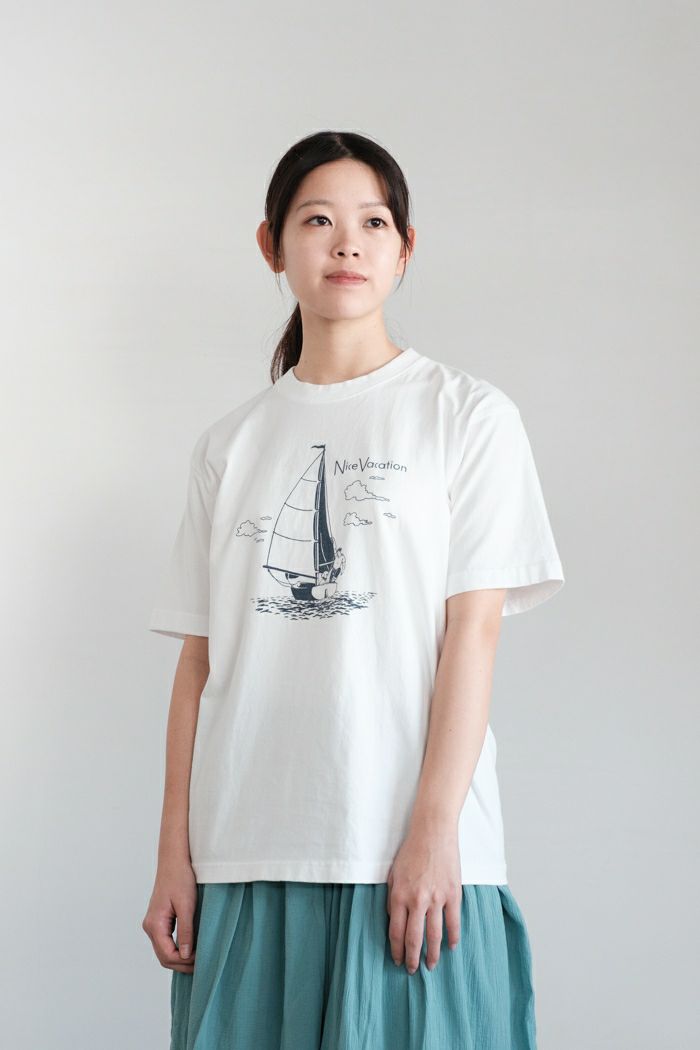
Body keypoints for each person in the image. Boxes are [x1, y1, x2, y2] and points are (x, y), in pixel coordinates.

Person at [141, 129, 565, 1050]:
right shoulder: (228, 445)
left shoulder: (467, 416)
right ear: (272, 245)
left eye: (374, 222)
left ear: (406, 248)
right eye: (317, 220)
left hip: (412, 853)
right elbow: (198, 667)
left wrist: (436, 831)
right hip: (245, 850)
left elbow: (473, 637)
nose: (347, 244)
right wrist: (175, 852)